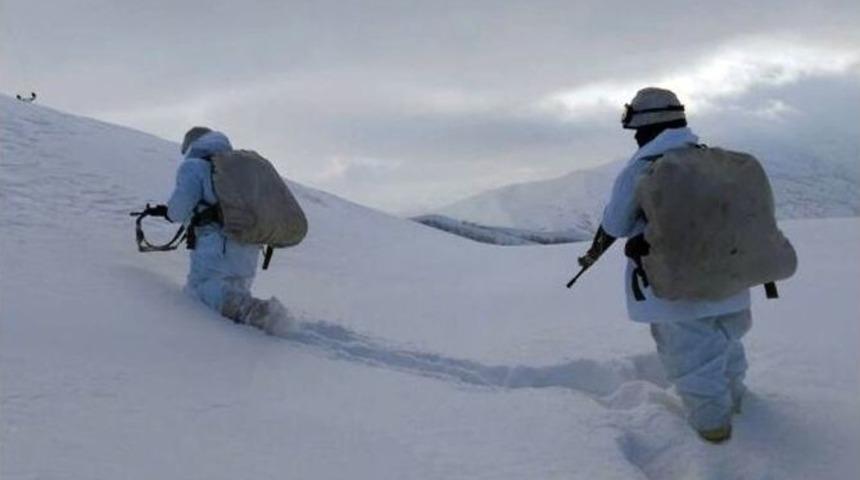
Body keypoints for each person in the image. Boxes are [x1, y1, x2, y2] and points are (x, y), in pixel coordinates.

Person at [579, 88, 751, 443]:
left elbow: (617, 225)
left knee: (691, 359)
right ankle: (740, 408)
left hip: (674, 287)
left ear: (644, 127)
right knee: (727, 347)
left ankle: (713, 433)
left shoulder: (642, 168)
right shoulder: (714, 160)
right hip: (732, 281)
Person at [148, 127, 291, 335]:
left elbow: (179, 211)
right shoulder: (239, 171)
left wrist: (168, 213)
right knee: (234, 293)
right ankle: (259, 330)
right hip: (248, 243)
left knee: (206, 291)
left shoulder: (194, 166)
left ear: (192, 145)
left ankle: (267, 314)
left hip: (216, 244)